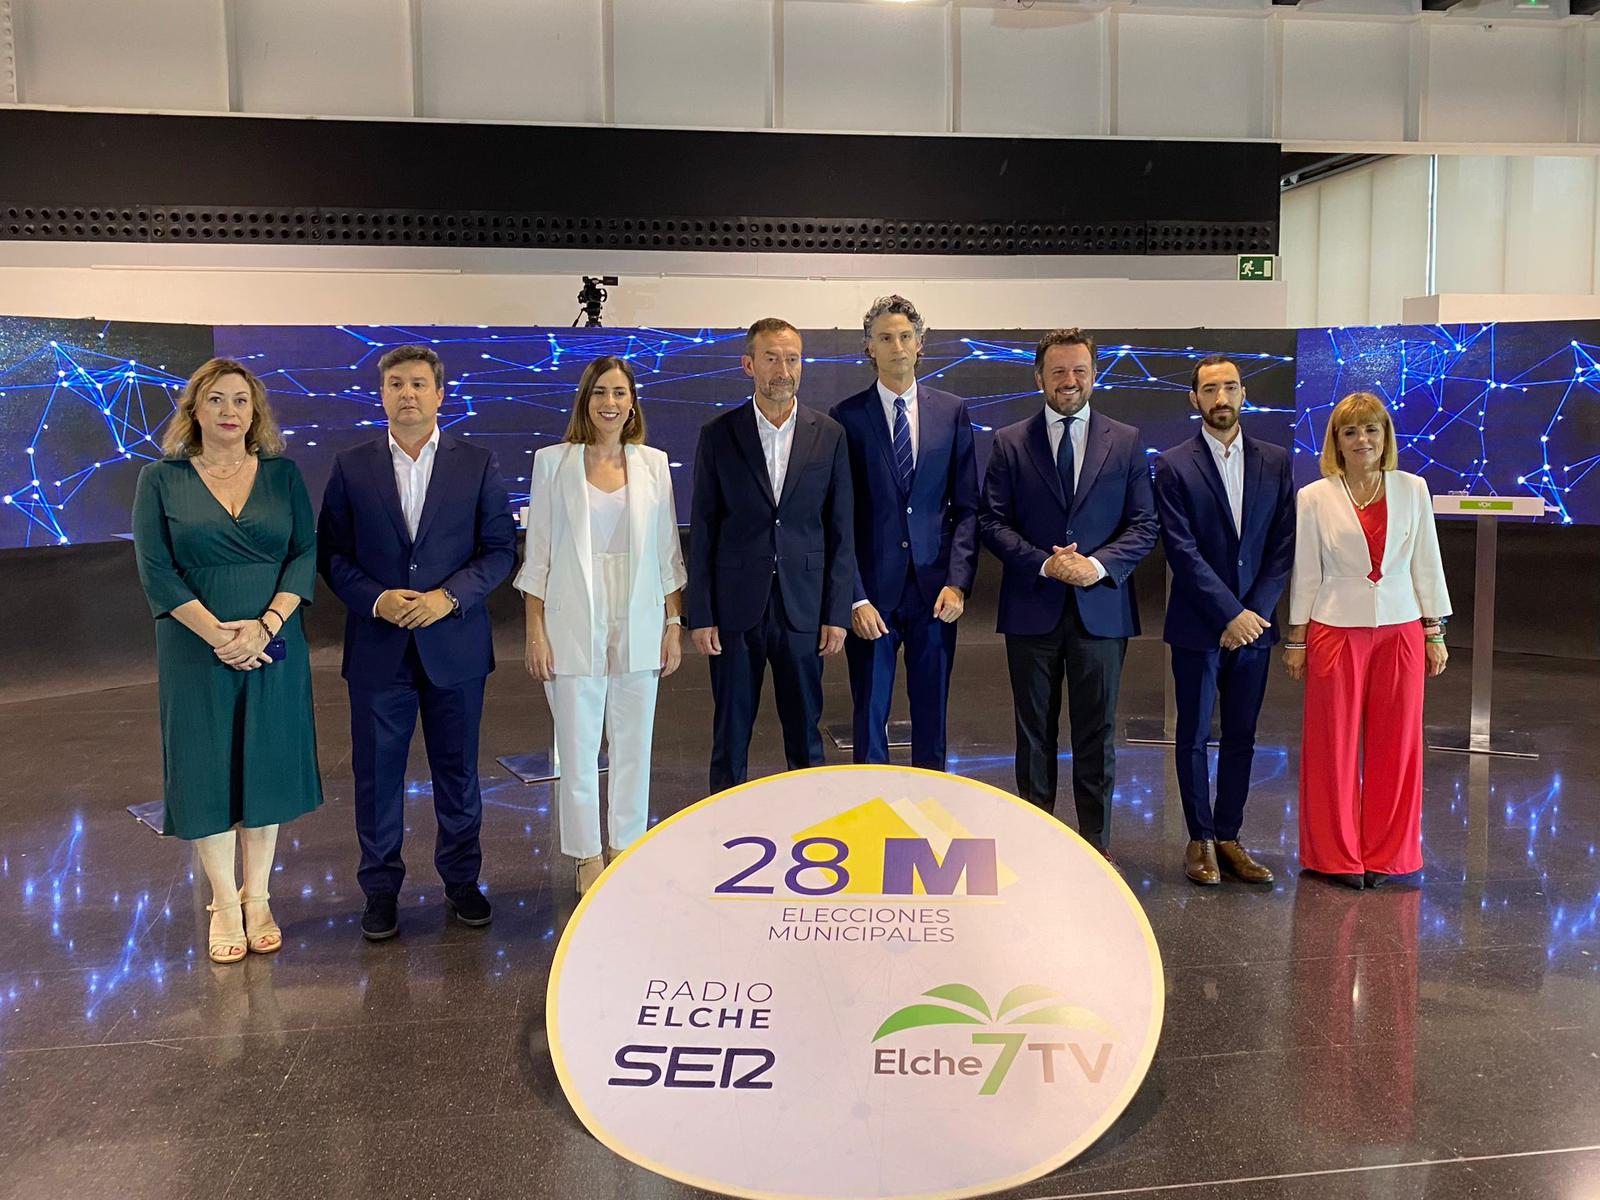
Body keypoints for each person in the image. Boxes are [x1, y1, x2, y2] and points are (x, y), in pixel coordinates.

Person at [318, 345, 517, 939]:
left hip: (453, 645)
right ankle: (380, 891)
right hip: (379, 649)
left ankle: (461, 882)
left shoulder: (476, 463)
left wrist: (446, 598)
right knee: (377, 776)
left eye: (419, 384)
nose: (407, 393)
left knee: (458, 773)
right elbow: (332, 553)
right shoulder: (351, 465)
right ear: (381, 393)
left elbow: (499, 549)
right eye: (396, 384)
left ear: (439, 394)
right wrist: (377, 599)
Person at [131, 358, 322, 964]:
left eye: (241, 401)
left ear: (255, 412)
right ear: (194, 410)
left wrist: (264, 625)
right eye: (216, 400)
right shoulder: (159, 480)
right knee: (207, 771)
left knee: (265, 766)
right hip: (195, 650)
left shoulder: (283, 475)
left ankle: (259, 896)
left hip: (273, 644)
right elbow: (157, 572)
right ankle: (223, 903)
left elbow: (303, 554)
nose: (230, 412)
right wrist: (219, 635)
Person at [978, 328, 1158, 861]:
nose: (1069, 381)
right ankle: (1036, 846)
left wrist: (1095, 566)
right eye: (1058, 371)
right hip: (1032, 608)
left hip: (1100, 610)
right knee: (1032, 735)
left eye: (1079, 370)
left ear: (1094, 375)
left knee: (1096, 735)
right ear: (1039, 378)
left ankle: (1094, 850)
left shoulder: (1124, 441)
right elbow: (991, 520)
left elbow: (1144, 524)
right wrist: (1046, 563)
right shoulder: (1010, 441)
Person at [518, 356, 687, 895]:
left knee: (635, 742)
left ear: (632, 401)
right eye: (599, 393)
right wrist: (535, 630)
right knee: (578, 741)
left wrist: (673, 622)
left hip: (638, 614)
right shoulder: (553, 463)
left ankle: (626, 846)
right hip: (571, 617)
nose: (609, 403)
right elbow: (537, 553)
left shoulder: (654, 465)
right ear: (585, 401)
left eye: (619, 392)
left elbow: (667, 553)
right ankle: (587, 853)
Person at [1285, 391, 1450, 890]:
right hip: (1334, 629)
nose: (1362, 440)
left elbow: (1426, 560)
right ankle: (1334, 855)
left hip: (1401, 629)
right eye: (1350, 432)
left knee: (1398, 746)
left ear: (1386, 437)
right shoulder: (1314, 496)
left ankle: (1389, 854)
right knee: (1331, 746)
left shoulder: (1413, 489)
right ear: (1337, 440)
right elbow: (1306, 570)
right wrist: (1296, 639)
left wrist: (1433, 631)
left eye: (1372, 430)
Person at [688, 317, 855, 793]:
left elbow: (842, 530)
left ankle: (808, 833)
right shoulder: (719, 434)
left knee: (806, 735)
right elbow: (702, 526)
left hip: (804, 609)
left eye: (793, 358)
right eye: (772, 358)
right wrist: (701, 614)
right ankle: (721, 838)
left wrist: (836, 612)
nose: (784, 369)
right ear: (748, 364)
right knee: (730, 736)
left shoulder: (830, 434)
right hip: (737, 608)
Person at [1152, 356, 1296, 887]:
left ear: (1243, 393)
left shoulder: (1276, 460)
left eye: (1230, 387)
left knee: (1242, 735)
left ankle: (1230, 835)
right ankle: (1200, 838)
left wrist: (1253, 614)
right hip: (1199, 623)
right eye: (1210, 389)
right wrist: (1228, 613)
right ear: (1194, 399)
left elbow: (1282, 546)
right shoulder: (1172, 464)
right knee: (1192, 735)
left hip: (1254, 627)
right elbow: (1181, 551)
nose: (1221, 398)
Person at [830, 296, 979, 771]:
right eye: (885, 338)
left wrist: (958, 582)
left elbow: (967, 509)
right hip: (873, 595)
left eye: (905, 336)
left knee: (932, 715)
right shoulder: (846, 416)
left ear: (920, 344)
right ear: (869, 348)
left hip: (935, 592)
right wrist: (854, 597)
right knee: (868, 715)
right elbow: (839, 516)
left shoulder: (952, 411)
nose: (897, 346)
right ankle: (870, 813)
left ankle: (928, 813)